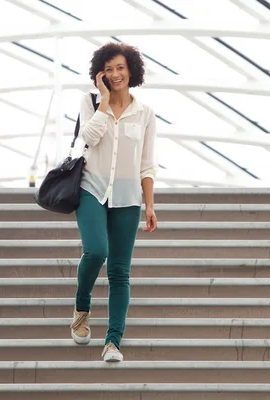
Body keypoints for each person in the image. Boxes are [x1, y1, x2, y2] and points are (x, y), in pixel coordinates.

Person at [69, 42, 158, 362]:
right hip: (91, 188)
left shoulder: (145, 113)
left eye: (120, 67)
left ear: (132, 70)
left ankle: (113, 342)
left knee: (120, 271)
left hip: (127, 196)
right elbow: (88, 139)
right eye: (109, 68)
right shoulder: (90, 102)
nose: (115, 73)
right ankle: (82, 307)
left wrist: (149, 204)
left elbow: (146, 164)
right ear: (100, 74)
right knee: (96, 251)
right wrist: (104, 102)